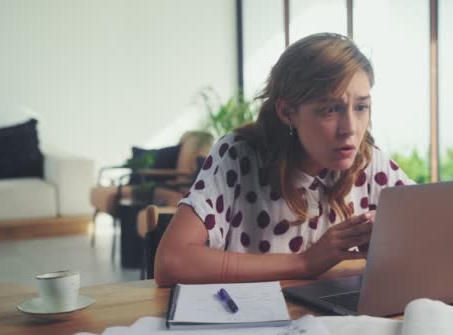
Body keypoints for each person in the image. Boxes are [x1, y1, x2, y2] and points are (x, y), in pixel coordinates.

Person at [154, 33, 413, 287]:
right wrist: (304, 263)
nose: (351, 129)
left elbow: (437, 229)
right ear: (288, 112)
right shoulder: (238, 155)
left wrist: (394, 241)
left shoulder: (368, 159)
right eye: (331, 109)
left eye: (361, 107)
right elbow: (171, 262)